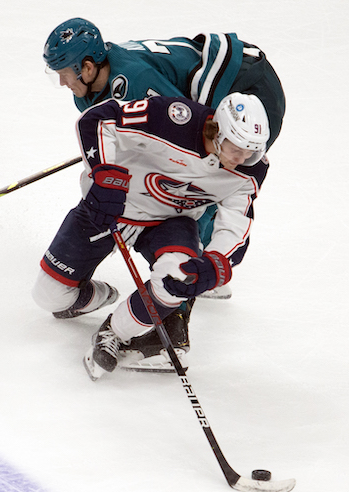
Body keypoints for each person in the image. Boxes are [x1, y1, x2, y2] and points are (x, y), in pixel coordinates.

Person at [40, 18, 285, 356]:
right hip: (221, 74)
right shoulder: (97, 80)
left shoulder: (136, 81)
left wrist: (206, 266)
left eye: (65, 72)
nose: (63, 82)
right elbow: (121, 125)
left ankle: (178, 308)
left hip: (247, 83)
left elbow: (178, 130)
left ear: (87, 66)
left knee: (213, 174)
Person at [31, 92, 270, 379]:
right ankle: (101, 294)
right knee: (49, 297)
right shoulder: (171, 117)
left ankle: (115, 331)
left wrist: (217, 261)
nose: (243, 158)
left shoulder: (251, 170)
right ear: (218, 130)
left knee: (182, 278)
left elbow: (236, 222)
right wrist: (105, 175)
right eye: (237, 148)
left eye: (251, 151)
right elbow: (98, 119)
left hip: (170, 223)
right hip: (112, 210)